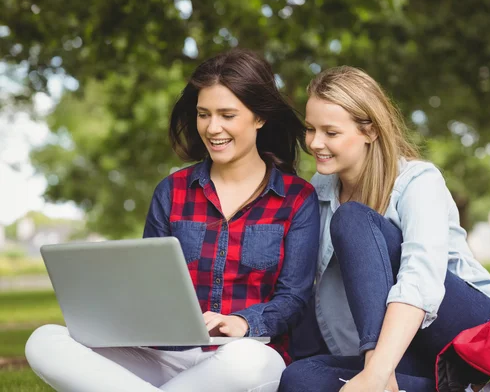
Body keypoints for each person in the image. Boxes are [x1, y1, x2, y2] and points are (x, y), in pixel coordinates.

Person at [25, 49, 320, 392]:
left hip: (246, 354)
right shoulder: (172, 191)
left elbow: (293, 299)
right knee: (44, 340)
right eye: (203, 114)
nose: (213, 128)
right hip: (163, 357)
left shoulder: (297, 198)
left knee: (250, 363)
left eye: (227, 115)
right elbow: (146, 286)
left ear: (259, 117)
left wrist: (242, 321)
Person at [279, 66, 490, 392]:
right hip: (403, 351)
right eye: (310, 129)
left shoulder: (417, 181)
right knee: (298, 379)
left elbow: (421, 279)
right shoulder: (319, 189)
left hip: (468, 333)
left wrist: (377, 369)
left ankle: (392, 378)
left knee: (352, 220)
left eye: (330, 133)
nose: (315, 143)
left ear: (370, 131)